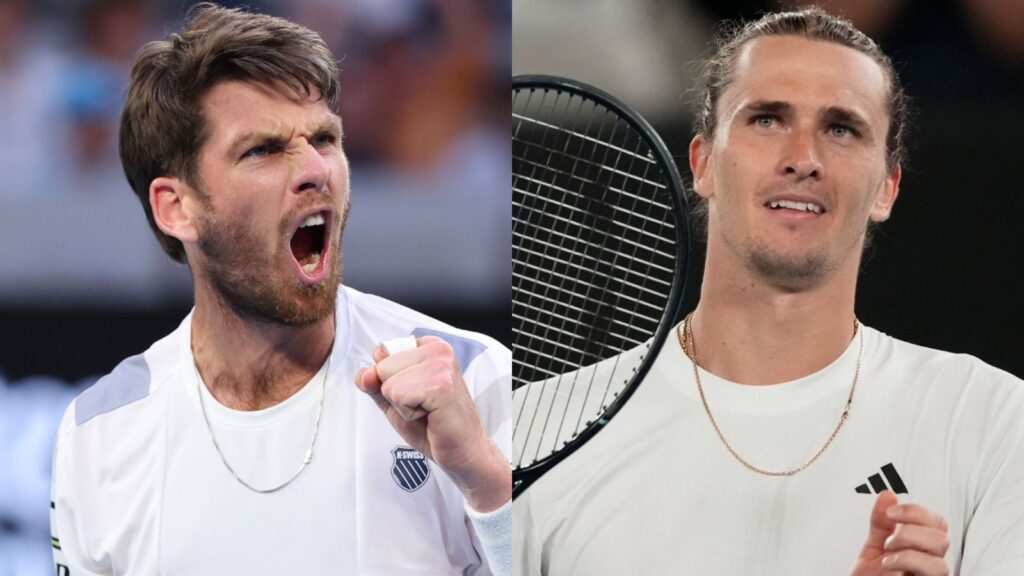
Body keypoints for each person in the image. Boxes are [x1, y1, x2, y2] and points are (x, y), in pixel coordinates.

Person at [513, 7, 1023, 576]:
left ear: (887, 188)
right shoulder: (540, 431)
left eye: (841, 129)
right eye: (767, 120)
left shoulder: (991, 421)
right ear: (703, 163)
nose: (803, 159)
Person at [49, 4, 511, 575]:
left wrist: (486, 482)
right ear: (177, 207)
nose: (315, 168)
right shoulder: (99, 435)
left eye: (324, 138)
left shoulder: (473, 377)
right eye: (263, 150)